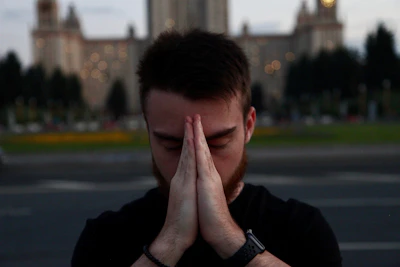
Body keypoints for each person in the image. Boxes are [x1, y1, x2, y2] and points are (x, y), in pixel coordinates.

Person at [71, 29, 342, 267]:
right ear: (148, 130)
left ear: (248, 126)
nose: (198, 161)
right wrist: (170, 243)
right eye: (173, 144)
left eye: (217, 142)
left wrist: (231, 240)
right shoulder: (104, 238)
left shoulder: (302, 230)